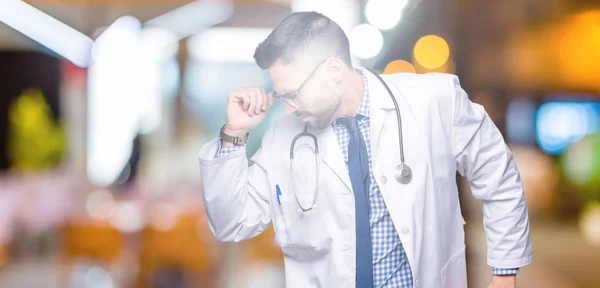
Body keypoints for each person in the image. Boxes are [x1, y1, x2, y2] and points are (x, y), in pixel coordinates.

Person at [198, 11, 532, 288]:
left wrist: (504, 272)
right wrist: (234, 133)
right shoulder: (281, 138)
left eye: (293, 94)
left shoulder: (434, 100)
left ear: (331, 70)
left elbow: (497, 175)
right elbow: (231, 223)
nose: (288, 108)